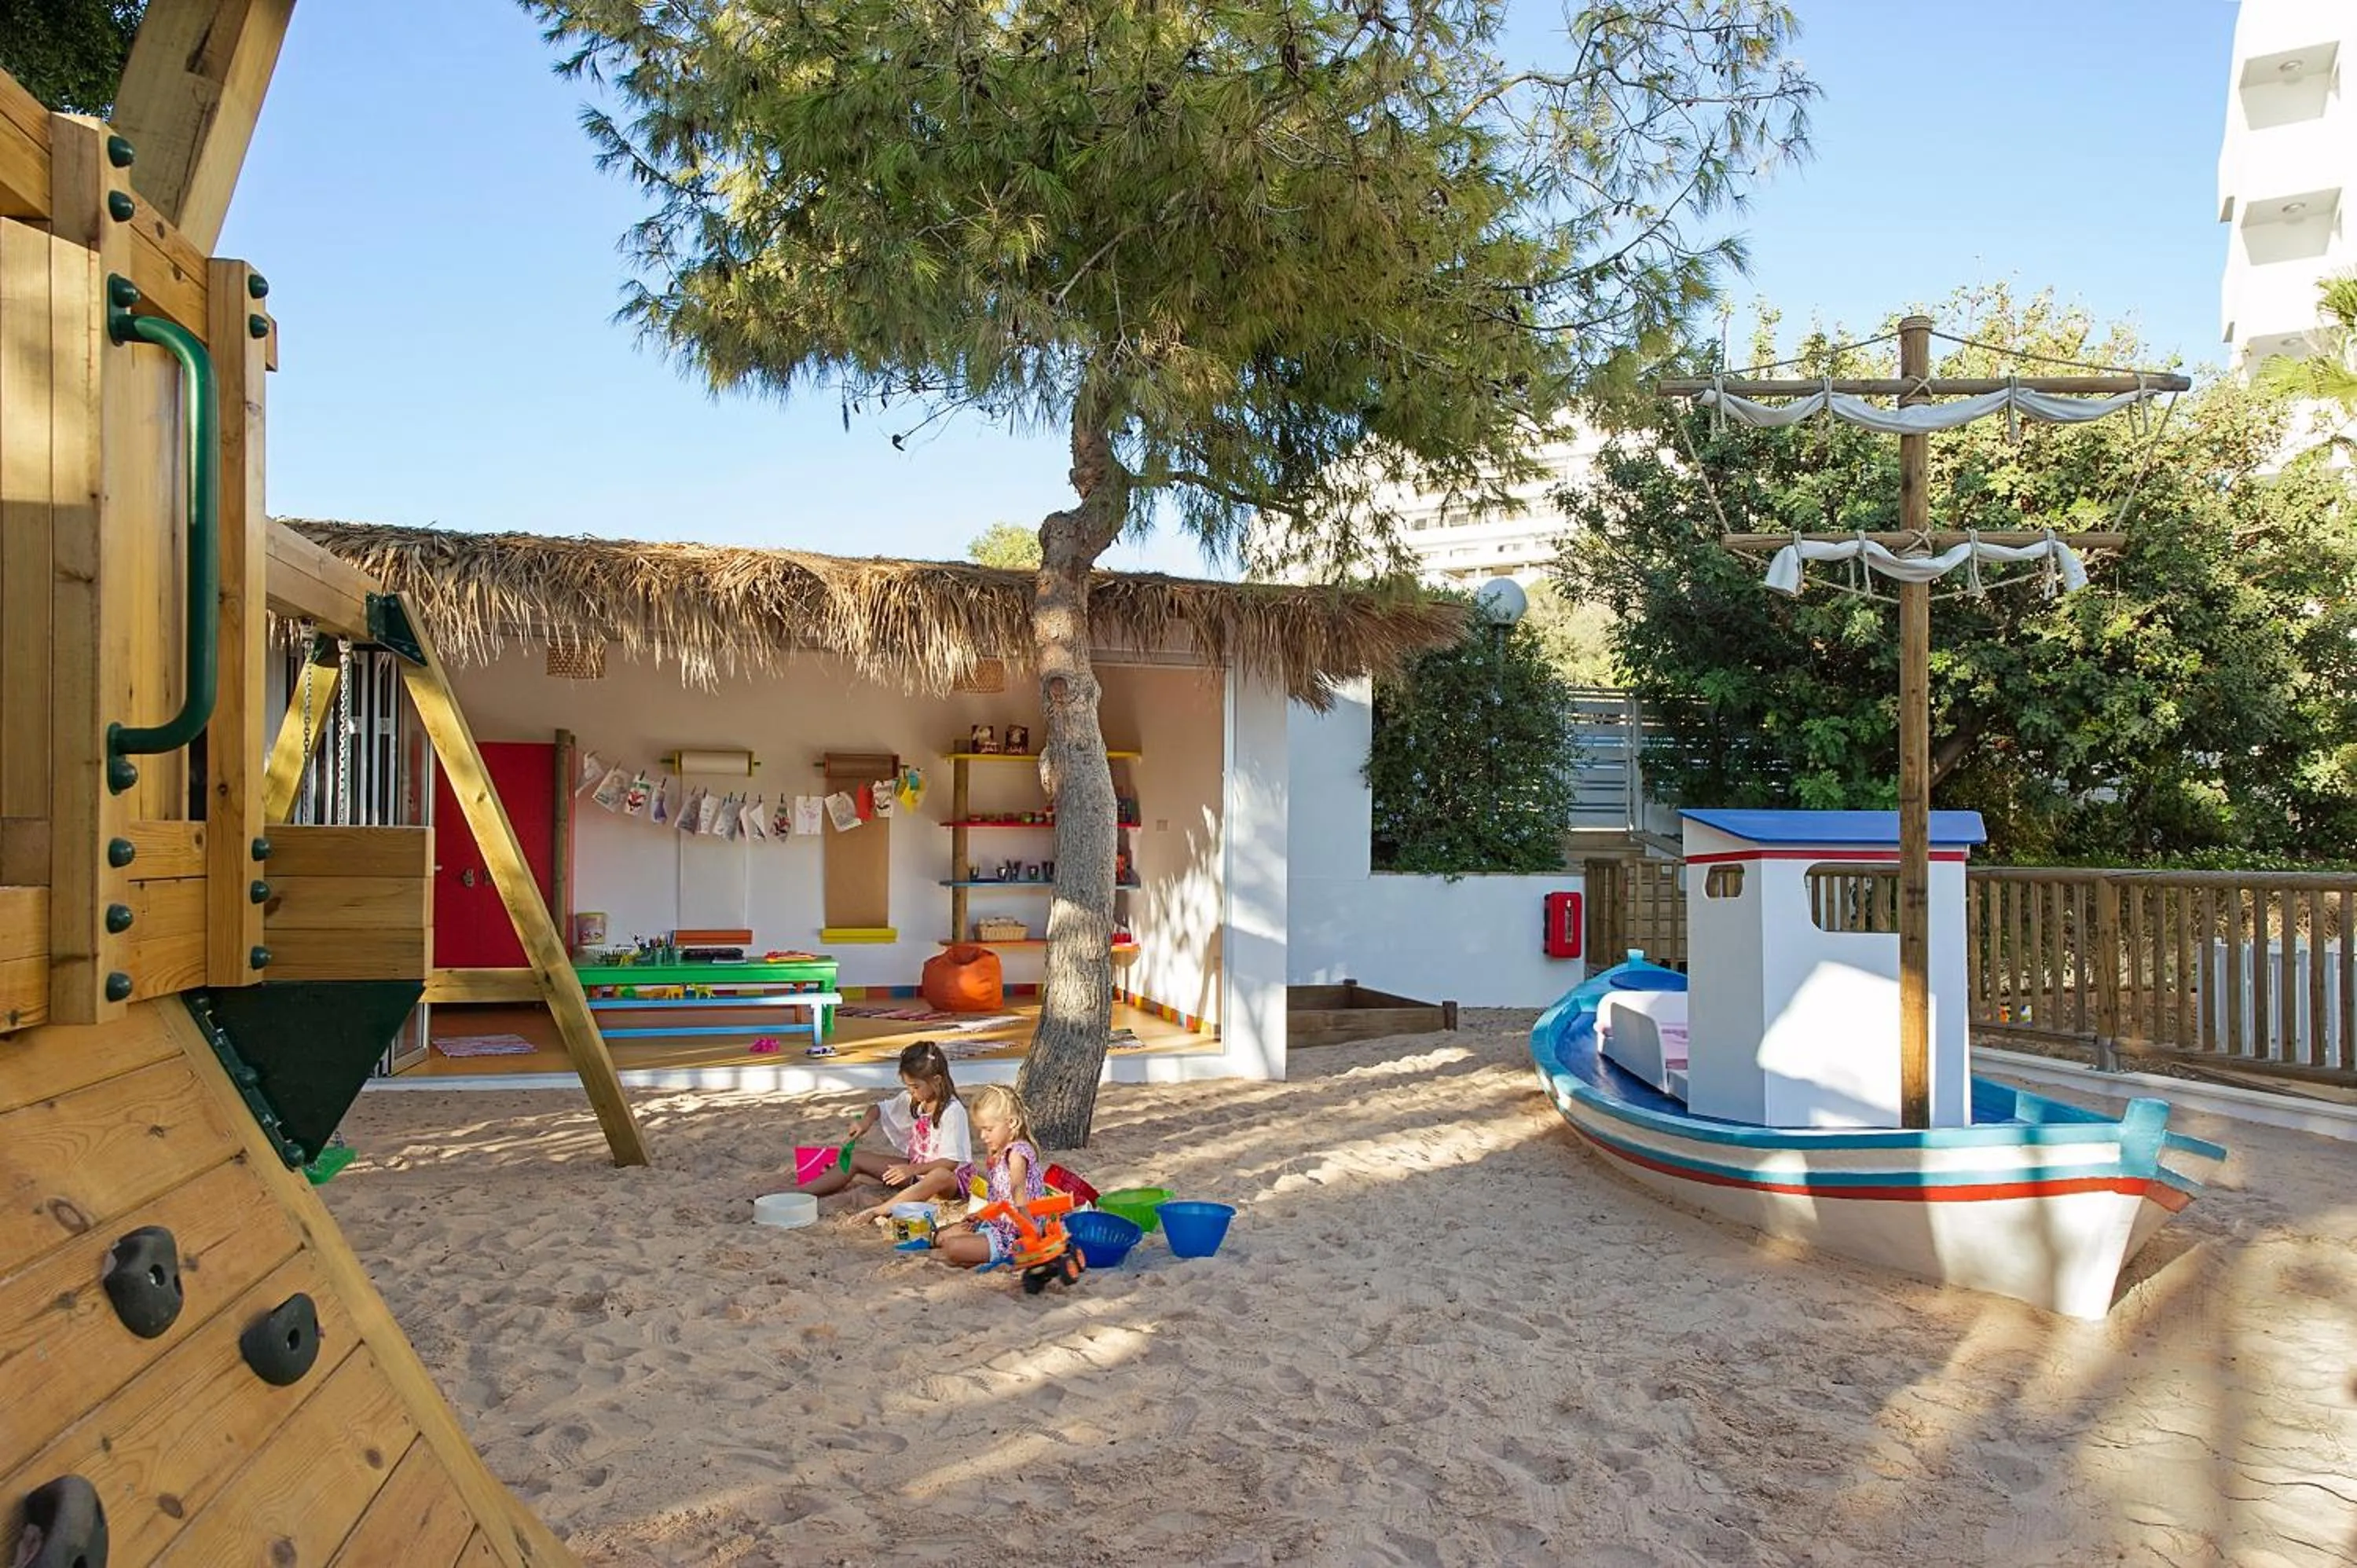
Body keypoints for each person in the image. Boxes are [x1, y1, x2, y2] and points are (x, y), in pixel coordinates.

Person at [795, 1042, 970, 1218]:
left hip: (948, 1184)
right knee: (855, 1158)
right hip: (916, 1173)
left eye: (915, 1086)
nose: (911, 1091)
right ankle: (800, 1193)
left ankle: (880, 1210)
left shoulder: (953, 1111)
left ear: (937, 1081)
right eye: (908, 1086)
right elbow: (878, 1108)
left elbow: (950, 1163)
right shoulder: (914, 1100)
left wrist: (912, 1170)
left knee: (940, 1175)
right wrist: (865, 1122)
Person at [933, 1083, 1048, 1269]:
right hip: (998, 1222)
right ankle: (974, 1251)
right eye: (981, 1129)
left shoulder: (1017, 1153)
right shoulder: (999, 1150)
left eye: (988, 1129)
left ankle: (982, 1254)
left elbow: (1018, 1193)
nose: (983, 1136)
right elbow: (1000, 1197)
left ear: (1011, 1123)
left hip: (1017, 1231)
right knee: (941, 1237)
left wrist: (1030, 1231)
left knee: (951, 1248)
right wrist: (981, 1215)